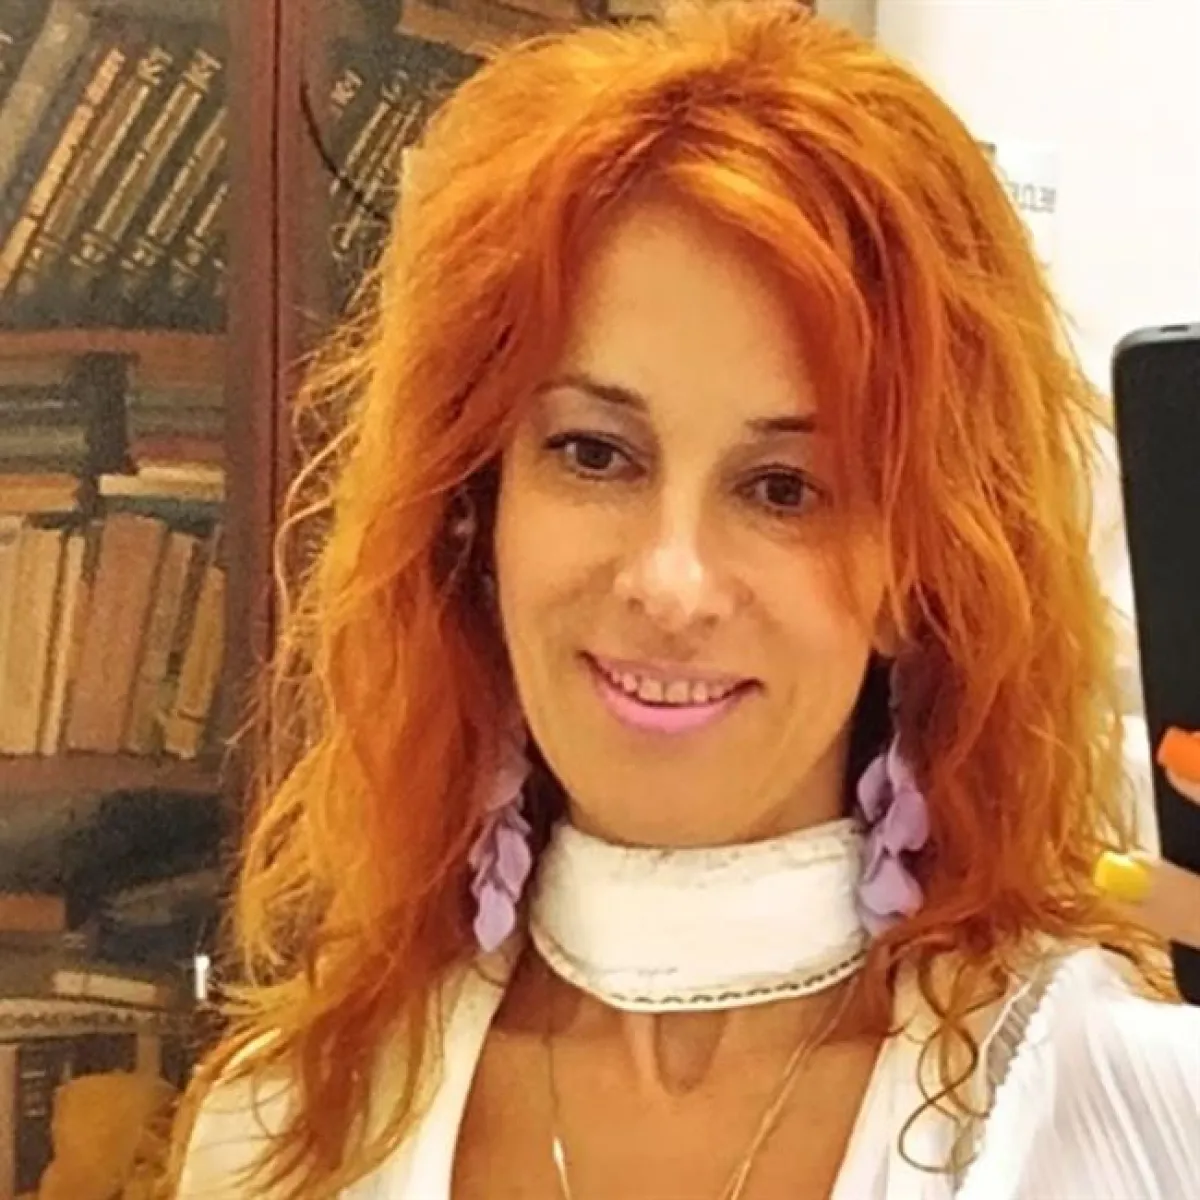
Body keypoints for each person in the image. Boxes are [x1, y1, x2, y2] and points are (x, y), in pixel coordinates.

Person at [170, 3, 1200, 1197]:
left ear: (919, 570)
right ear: (476, 509)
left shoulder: (1132, 1114)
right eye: (595, 453)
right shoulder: (286, 1128)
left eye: (784, 487)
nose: (670, 583)